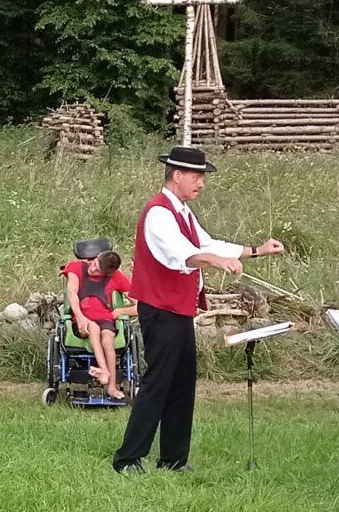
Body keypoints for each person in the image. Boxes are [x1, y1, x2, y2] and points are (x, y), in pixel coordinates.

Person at [115, 147, 284, 472]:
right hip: (160, 308)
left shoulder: (182, 212)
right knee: (159, 381)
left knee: (182, 381)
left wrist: (255, 250)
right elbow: (184, 254)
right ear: (177, 175)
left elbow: (206, 244)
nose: (202, 183)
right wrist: (216, 261)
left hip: (177, 309)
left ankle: (173, 459)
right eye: (197, 176)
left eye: (203, 177)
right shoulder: (159, 213)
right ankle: (128, 458)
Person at [61, 238, 134, 397]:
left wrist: (120, 312)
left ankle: (112, 387)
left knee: (108, 339)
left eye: (97, 270)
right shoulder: (76, 267)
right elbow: (72, 293)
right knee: (93, 328)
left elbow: (140, 305)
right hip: (82, 317)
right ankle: (105, 372)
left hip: (106, 318)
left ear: (108, 274)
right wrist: (79, 317)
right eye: (94, 264)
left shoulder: (116, 277)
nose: (92, 269)